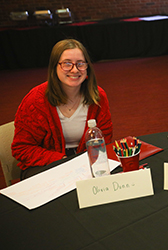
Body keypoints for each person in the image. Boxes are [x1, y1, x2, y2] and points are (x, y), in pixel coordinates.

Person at [12, 39, 113, 179]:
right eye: (67, 64)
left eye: (80, 64)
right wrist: (64, 160)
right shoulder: (35, 100)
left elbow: (105, 138)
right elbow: (22, 148)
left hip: (86, 161)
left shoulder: (98, 96)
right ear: (55, 67)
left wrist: (84, 162)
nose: (75, 70)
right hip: (46, 164)